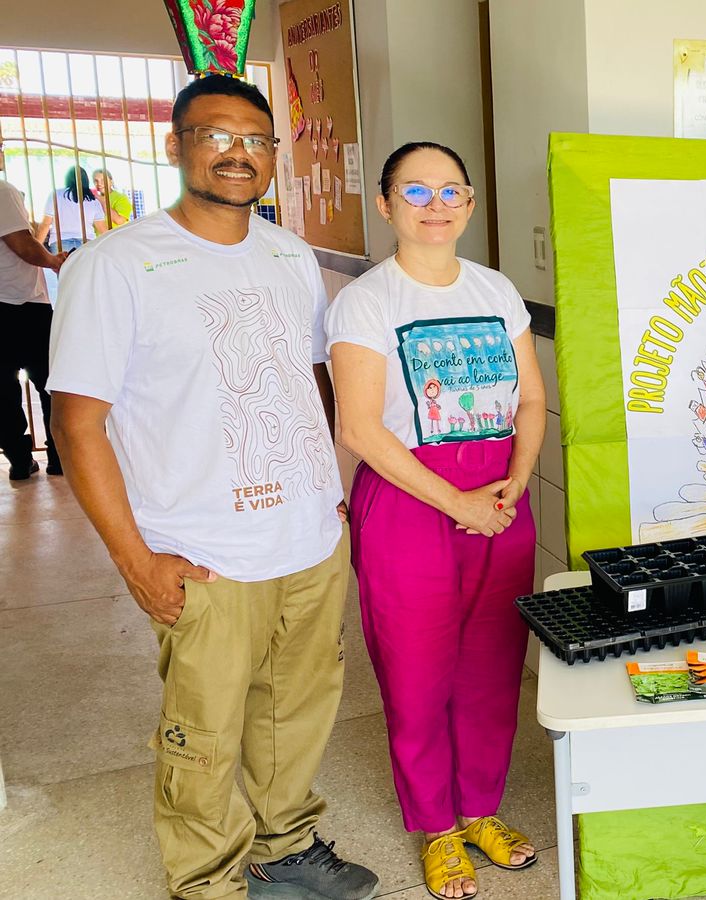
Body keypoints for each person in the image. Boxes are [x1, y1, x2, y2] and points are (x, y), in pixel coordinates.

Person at [48, 74, 379, 900]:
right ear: (176, 145)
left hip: (308, 538)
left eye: (256, 140)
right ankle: (205, 881)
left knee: (296, 710)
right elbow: (77, 425)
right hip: (203, 553)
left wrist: (327, 486)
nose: (239, 154)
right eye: (218, 135)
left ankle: (285, 846)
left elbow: (309, 377)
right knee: (202, 734)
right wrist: (135, 560)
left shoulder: (289, 254)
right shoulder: (116, 265)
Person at [327, 141, 544, 900]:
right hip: (410, 501)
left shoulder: (496, 289)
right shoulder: (368, 301)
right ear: (386, 204)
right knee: (417, 673)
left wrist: (514, 484)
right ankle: (437, 826)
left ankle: (480, 809)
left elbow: (530, 400)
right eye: (415, 191)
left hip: (500, 499)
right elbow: (360, 428)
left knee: (492, 667)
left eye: (451, 190)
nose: (436, 205)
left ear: (470, 203)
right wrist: (459, 504)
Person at [0, 135, 70, 480]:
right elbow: (23, 245)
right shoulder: (2, 191)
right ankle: (60, 458)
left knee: (2, 391)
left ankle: (19, 460)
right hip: (20, 303)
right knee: (51, 383)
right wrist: (55, 261)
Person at [36, 166, 105, 300]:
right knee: (87, 282)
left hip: (61, 243)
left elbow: (45, 224)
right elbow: (102, 230)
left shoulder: (56, 195)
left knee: (66, 284)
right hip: (87, 243)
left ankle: (68, 309)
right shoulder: (93, 200)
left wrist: (36, 247)